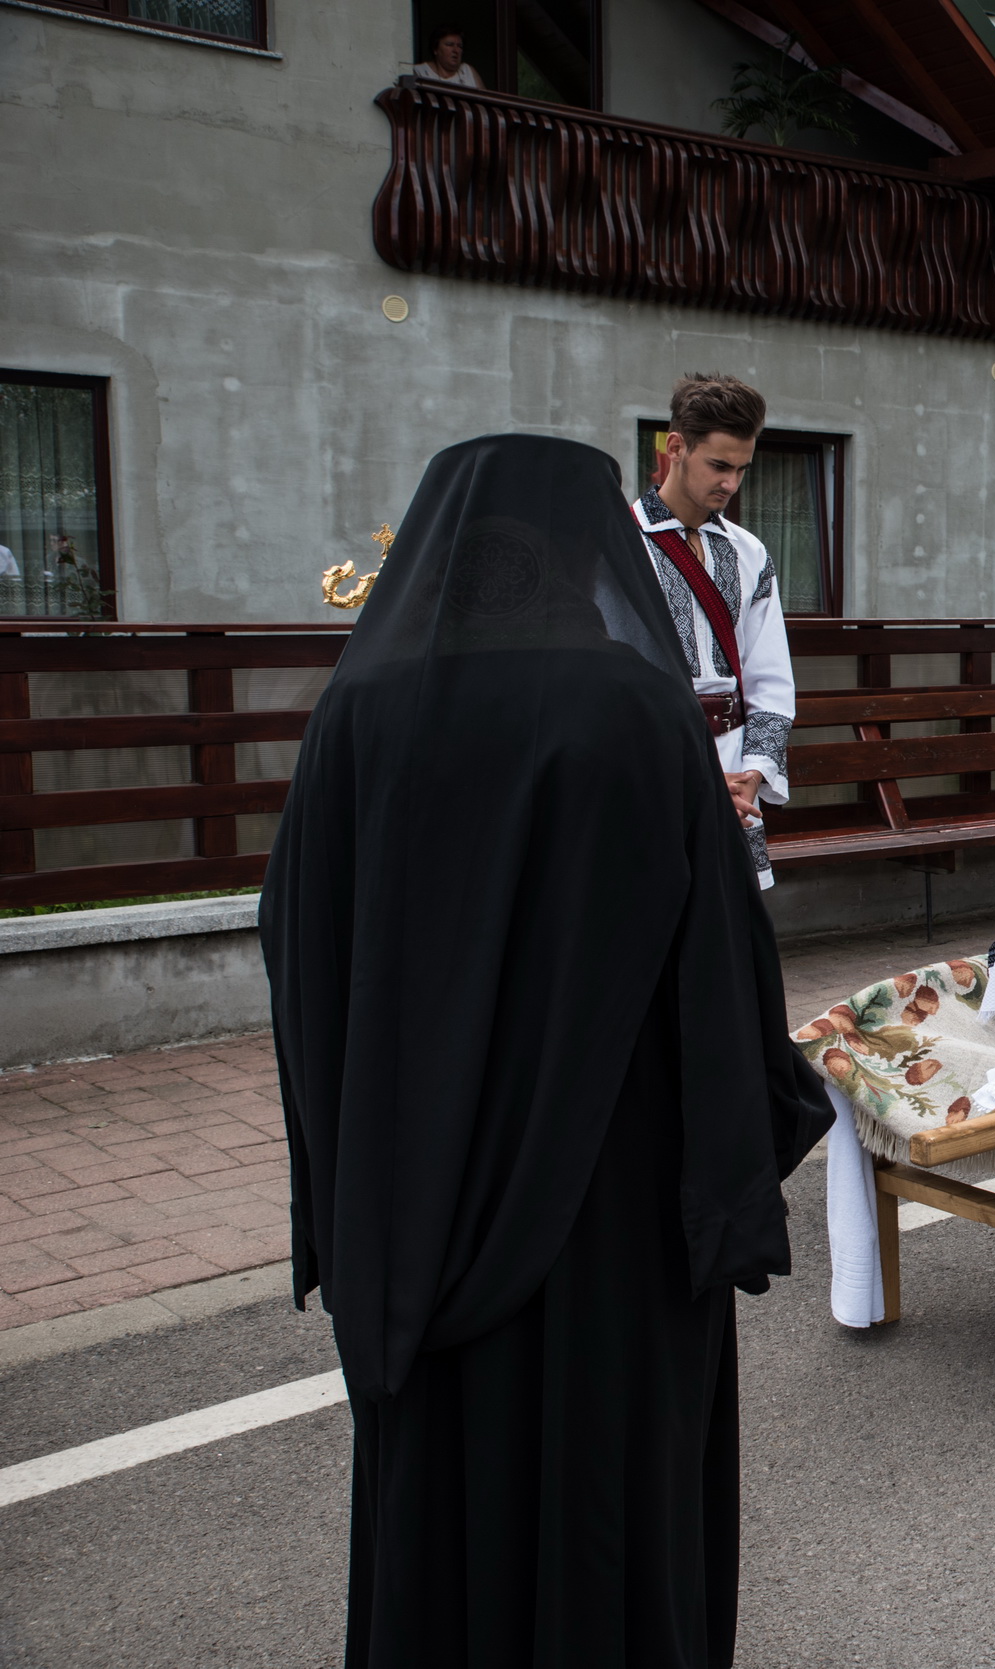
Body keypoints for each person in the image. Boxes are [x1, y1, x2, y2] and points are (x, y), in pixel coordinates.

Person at [264, 434, 831, 1667]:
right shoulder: (629, 709)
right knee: (598, 1495)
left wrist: (351, 1172)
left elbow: (298, 954)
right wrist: (741, 1156)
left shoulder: (356, 710)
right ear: (588, 555)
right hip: (607, 1205)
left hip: (411, 1199)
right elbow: (721, 965)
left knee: (440, 1496)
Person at [632, 374, 797, 888]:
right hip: (652, 770)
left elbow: (771, 677)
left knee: (730, 928)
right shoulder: (618, 544)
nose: (731, 483)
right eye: (719, 466)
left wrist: (754, 774)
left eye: (742, 469)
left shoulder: (751, 554)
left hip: (735, 764)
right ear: (676, 447)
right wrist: (688, 776)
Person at [411, 23, 485, 87]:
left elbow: (484, 101)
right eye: (449, 45)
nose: (456, 50)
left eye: (459, 46)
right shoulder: (420, 72)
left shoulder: (468, 72)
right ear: (435, 49)